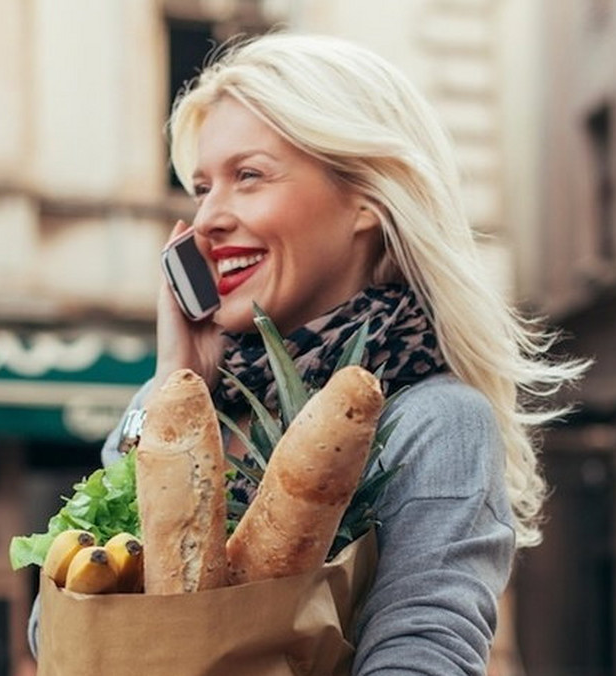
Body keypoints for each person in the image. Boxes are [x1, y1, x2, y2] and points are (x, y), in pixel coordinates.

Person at [35, 33, 586, 674]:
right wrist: (171, 390)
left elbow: (422, 653)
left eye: (248, 177)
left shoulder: (434, 421)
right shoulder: (166, 405)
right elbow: (59, 632)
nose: (208, 217)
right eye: (202, 187)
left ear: (365, 200)